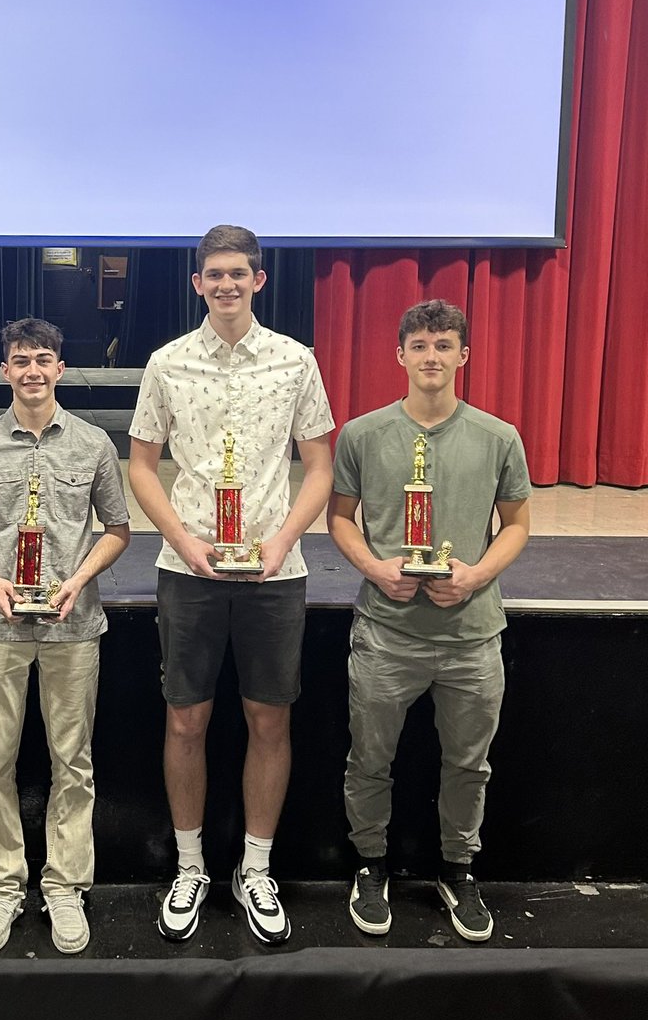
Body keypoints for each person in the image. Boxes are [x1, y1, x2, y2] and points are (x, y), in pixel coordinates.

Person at [128, 224, 334, 945]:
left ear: (258, 280)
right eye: (213, 274)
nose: (225, 285)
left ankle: (255, 867)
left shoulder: (295, 361)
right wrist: (182, 540)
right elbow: (143, 466)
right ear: (197, 284)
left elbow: (321, 467)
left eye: (237, 274)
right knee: (185, 720)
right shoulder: (166, 363)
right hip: (189, 570)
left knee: (268, 719)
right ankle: (189, 867)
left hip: (276, 571)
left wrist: (283, 541)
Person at [327, 299, 530, 942]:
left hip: (472, 636)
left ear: (463, 356)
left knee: (469, 765)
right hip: (387, 633)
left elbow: (517, 524)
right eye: (420, 346)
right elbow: (339, 518)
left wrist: (475, 575)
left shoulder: (498, 436)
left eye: (444, 345)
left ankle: (458, 869)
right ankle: (370, 865)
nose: (432, 357)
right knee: (370, 760)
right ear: (400, 356)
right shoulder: (362, 434)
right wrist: (377, 569)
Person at [0, 318, 130, 955]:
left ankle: (64, 885)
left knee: (71, 763)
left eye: (43, 359)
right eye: (20, 360)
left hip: (73, 625)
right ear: (5, 371)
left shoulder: (93, 444)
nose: (32, 370)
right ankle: (0, 887)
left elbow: (116, 527)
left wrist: (78, 578)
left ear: (59, 367)